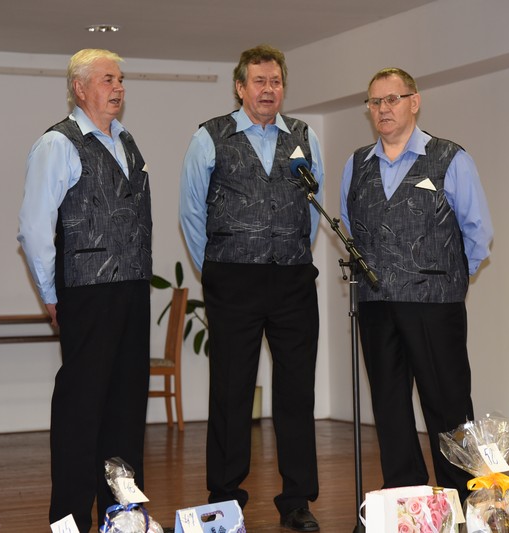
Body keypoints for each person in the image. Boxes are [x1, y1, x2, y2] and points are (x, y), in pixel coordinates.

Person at [179, 44, 324, 532]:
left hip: (293, 279)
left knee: (296, 393)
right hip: (232, 279)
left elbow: (312, 209)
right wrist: (218, 266)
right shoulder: (209, 136)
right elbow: (191, 212)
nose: (268, 90)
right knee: (231, 391)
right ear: (240, 87)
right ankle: (224, 499)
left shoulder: (304, 136)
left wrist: (287, 250)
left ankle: (298, 500)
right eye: (259, 81)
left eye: (275, 81)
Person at [340, 67, 493, 503]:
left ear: (414, 101)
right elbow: (350, 223)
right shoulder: (356, 164)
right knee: (388, 405)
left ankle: (462, 500)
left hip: (435, 304)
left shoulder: (450, 158)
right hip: (375, 304)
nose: (383, 109)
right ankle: (403, 498)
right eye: (375, 102)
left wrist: (447, 279)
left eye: (392, 99)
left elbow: (478, 232)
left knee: (447, 404)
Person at [17, 49, 152, 532]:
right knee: (81, 411)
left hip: (133, 289)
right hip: (87, 292)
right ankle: (69, 521)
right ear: (79, 88)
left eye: (121, 79)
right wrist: (51, 294)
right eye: (107, 79)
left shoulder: (126, 141)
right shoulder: (58, 144)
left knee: (126, 410)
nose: (118, 87)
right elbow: (34, 228)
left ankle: (123, 516)